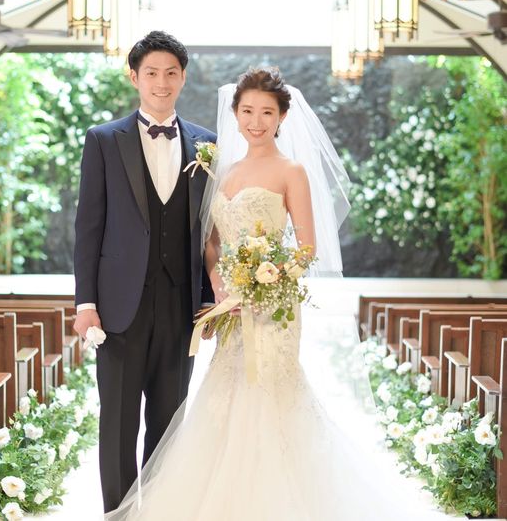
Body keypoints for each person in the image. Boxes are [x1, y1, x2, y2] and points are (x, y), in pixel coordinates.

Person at [105, 68, 449, 521]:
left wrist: (266, 284)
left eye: (267, 112)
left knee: (269, 395)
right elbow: (211, 242)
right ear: (235, 113)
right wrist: (221, 286)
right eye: (247, 111)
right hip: (232, 310)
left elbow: (307, 248)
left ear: (282, 116)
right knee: (226, 395)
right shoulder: (223, 169)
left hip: (272, 308)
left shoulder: (291, 171)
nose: (256, 121)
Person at [73, 30, 216, 514]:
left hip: (181, 306)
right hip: (118, 307)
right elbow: (88, 227)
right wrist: (86, 304)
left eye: (171, 73)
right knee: (117, 421)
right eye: (151, 72)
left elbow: (209, 230)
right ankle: (118, 513)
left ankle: (159, 511)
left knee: (169, 421)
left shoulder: (207, 144)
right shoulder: (103, 139)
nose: (162, 82)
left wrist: (210, 299)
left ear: (183, 77)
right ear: (134, 77)